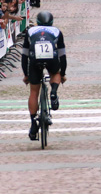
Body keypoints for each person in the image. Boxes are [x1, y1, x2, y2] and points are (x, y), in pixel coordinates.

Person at [21, 11, 67, 141]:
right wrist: (62, 73)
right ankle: (53, 92)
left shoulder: (30, 31)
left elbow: (24, 55)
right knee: (55, 73)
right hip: (52, 58)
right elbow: (62, 55)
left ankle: (33, 124)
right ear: (51, 22)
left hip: (34, 60)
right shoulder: (56, 31)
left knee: (34, 92)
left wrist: (26, 75)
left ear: (38, 22)